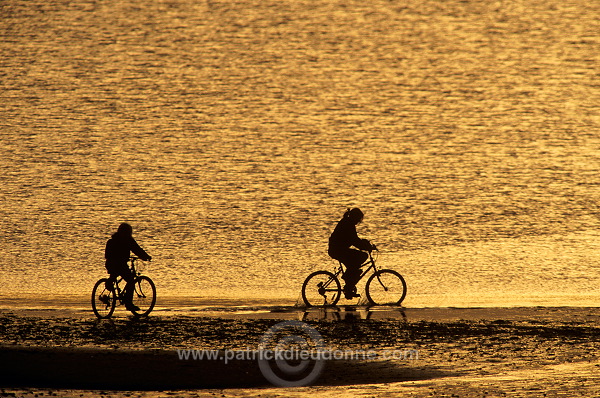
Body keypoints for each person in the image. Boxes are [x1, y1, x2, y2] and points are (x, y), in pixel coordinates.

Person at [105, 223, 152, 311]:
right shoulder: (124, 240)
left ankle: (109, 283)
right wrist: (145, 257)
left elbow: (137, 249)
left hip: (114, 264)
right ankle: (128, 303)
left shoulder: (115, 240)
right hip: (117, 264)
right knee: (131, 281)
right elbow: (137, 249)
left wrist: (145, 256)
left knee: (116, 276)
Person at [328, 208, 373, 299]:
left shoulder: (347, 222)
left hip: (338, 249)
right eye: (358, 219)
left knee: (354, 265)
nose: (358, 222)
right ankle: (348, 285)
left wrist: (365, 244)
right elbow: (354, 241)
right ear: (355, 217)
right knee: (362, 256)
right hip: (337, 250)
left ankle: (349, 284)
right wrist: (366, 247)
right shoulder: (348, 224)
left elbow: (354, 239)